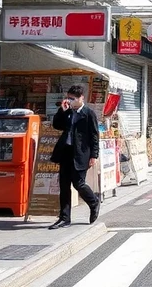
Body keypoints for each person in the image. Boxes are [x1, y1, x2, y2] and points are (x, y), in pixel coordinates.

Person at [48, 85, 101, 230]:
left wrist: (94, 155)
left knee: (79, 183)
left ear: (81, 98)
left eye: (73, 99)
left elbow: (94, 136)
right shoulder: (68, 112)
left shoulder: (88, 113)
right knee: (64, 186)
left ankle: (94, 201)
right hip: (66, 152)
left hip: (81, 153)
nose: (70, 101)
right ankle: (64, 218)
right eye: (69, 98)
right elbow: (57, 125)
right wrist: (62, 111)